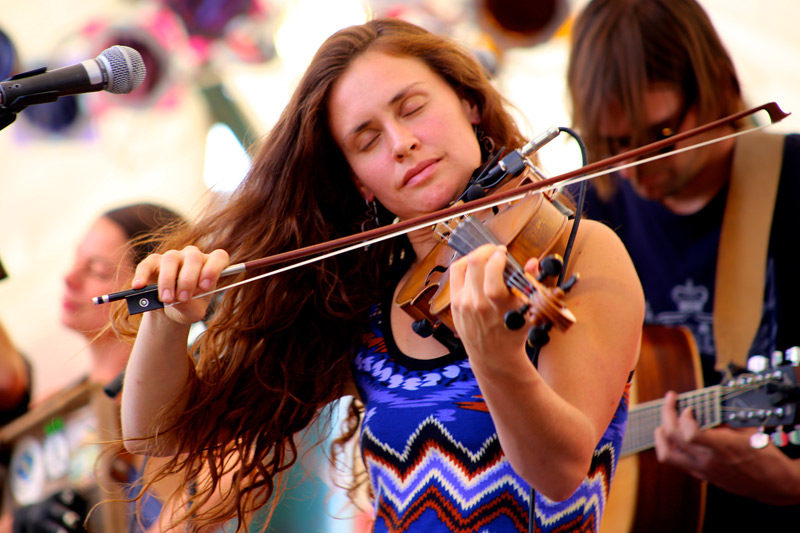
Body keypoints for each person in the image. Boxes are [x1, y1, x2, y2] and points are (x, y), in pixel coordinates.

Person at [116, 18, 644, 533]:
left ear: (470, 104)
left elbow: (560, 472)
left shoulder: (581, 252)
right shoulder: (369, 301)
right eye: (367, 140)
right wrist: (167, 322)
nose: (400, 142)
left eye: (412, 108)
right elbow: (155, 433)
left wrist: (498, 357)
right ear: (359, 182)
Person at [566, 0, 800, 530]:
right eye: (613, 143)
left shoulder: (791, 183)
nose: (632, 166)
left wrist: (790, 485)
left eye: (659, 134)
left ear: (715, 82)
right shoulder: (580, 215)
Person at [0, 203, 185, 533]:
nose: (69, 277)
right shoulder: (52, 406)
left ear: (148, 292)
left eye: (97, 270)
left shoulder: (174, 427)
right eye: (76, 260)